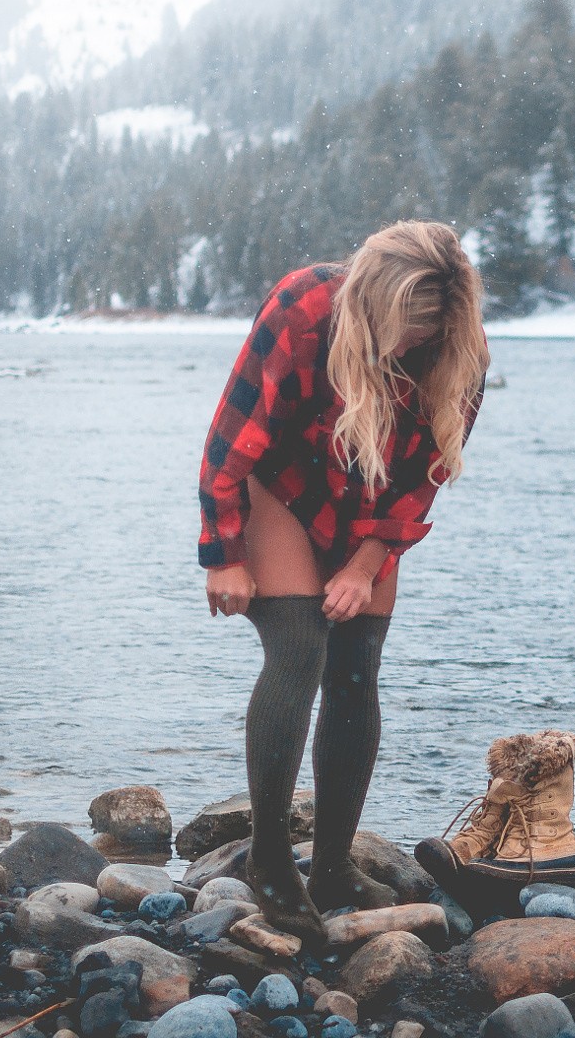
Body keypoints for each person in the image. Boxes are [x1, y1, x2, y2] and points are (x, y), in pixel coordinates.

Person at [197, 220, 488, 942]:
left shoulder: (460, 351)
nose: (409, 347)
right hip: (282, 485)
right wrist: (223, 554)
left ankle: (330, 866)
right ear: (369, 297)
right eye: (402, 328)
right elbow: (232, 440)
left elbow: (425, 479)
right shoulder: (302, 307)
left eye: (425, 335)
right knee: (300, 650)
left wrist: (365, 566)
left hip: (371, 506)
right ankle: (269, 861)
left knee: (356, 669)